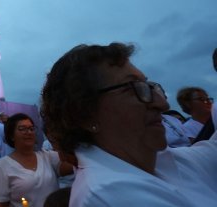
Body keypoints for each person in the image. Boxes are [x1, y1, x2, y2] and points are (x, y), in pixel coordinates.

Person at [40, 42, 217, 206]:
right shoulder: (110, 194)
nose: (162, 104)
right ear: (85, 114)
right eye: (135, 88)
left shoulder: (161, 161)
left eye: (150, 87)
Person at [0, 114, 73, 207]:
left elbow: (74, 164)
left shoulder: (47, 156)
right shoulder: (2, 165)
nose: (28, 132)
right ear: (11, 136)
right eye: (22, 129)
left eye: (31, 128)